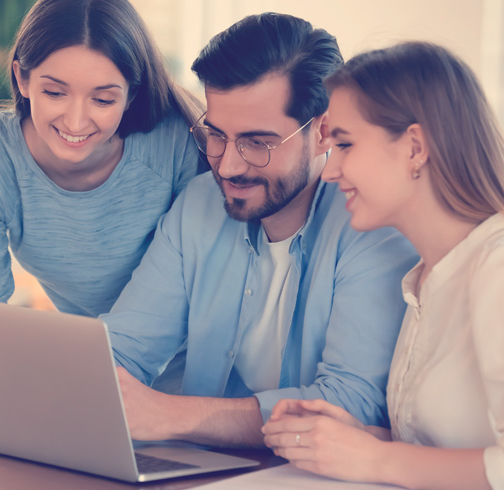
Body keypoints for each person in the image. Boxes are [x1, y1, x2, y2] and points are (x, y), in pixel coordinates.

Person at [262, 41, 504, 490]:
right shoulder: (427, 275)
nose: (330, 170)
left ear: (415, 148)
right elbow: (452, 447)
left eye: (343, 144)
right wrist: (352, 437)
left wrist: (376, 458)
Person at [102, 13, 418, 447]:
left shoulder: (374, 226)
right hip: (202, 478)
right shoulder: (198, 205)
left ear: (324, 131)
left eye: (258, 143)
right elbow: (121, 353)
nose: (228, 166)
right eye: (216, 135)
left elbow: (350, 404)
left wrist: (173, 415)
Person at [0, 0, 206, 404]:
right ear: (22, 79)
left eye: (102, 100)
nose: (76, 123)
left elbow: (185, 302)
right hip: (96, 379)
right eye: (54, 92)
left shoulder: (177, 145)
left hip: (204, 382)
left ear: (133, 94)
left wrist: (69, 382)